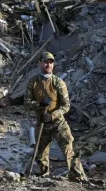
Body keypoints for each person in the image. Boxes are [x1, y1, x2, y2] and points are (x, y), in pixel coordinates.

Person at [25, 52, 87, 181]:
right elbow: (27, 102)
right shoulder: (33, 82)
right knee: (41, 153)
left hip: (58, 122)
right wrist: (39, 105)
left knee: (68, 147)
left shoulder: (59, 83)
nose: (48, 64)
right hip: (41, 121)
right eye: (46, 62)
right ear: (40, 63)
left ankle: (78, 177)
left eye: (51, 62)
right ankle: (43, 177)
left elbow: (66, 106)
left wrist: (52, 115)